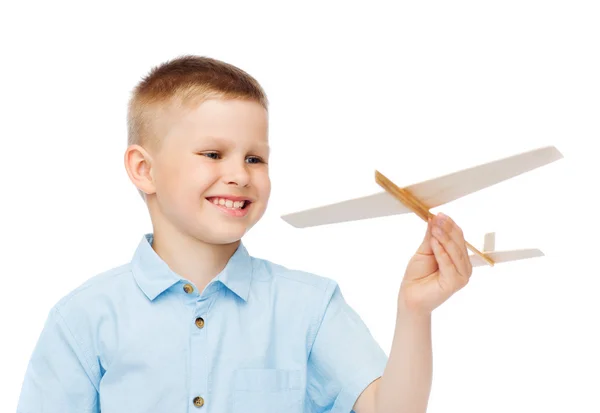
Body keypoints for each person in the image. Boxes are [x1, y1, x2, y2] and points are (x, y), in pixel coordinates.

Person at [16, 55, 473, 413]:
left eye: (255, 158)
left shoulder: (310, 308)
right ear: (144, 169)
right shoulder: (82, 320)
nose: (239, 174)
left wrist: (415, 311)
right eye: (213, 154)